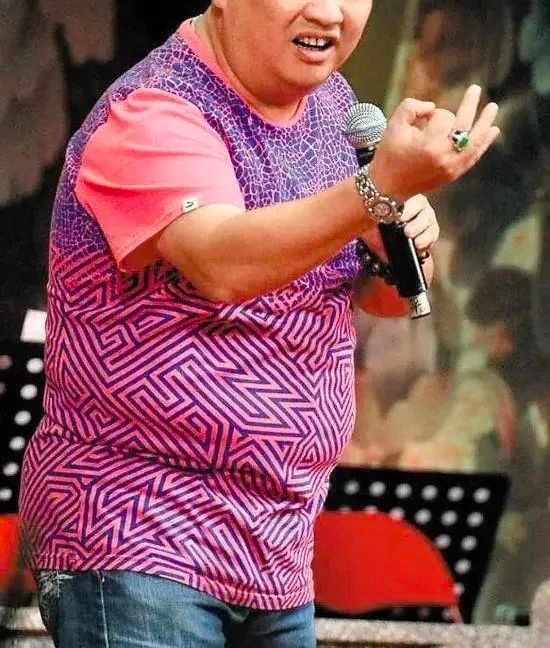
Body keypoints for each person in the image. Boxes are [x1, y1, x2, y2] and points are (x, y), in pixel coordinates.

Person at [18, 1, 499, 646]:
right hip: (139, 529)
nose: (328, 11)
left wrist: (397, 231)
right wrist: (373, 192)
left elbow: (378, 299)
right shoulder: (153, 109)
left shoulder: (335, 109)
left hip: (276, 546)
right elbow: (223, 263)